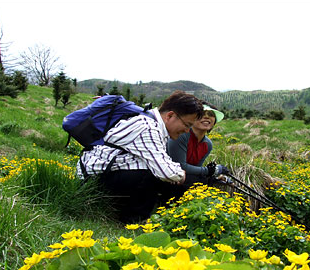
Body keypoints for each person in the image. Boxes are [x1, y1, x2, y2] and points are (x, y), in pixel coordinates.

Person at [77, 90, 204, 223]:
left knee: (162, 173)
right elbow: (165, 172)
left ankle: (167, 215)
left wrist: (175, 172)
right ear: (170, 116)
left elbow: (164, 162)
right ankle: (134, 221)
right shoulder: (148, 128)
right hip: (92, 180)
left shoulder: (152, 123)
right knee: (153, 173)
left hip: (106, 172)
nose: (187, 131)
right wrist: (180, 173)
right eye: (187, 125)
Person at [166, 101, 229, 198]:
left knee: (201, 180)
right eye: (202, 114)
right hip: (168, 176)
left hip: (184, 178)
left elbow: (196, 170)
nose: (207, 117)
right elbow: (179, 166)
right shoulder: (181, 135)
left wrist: (212, 174)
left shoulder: (208, 144)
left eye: (211, 115)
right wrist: (208, 171)